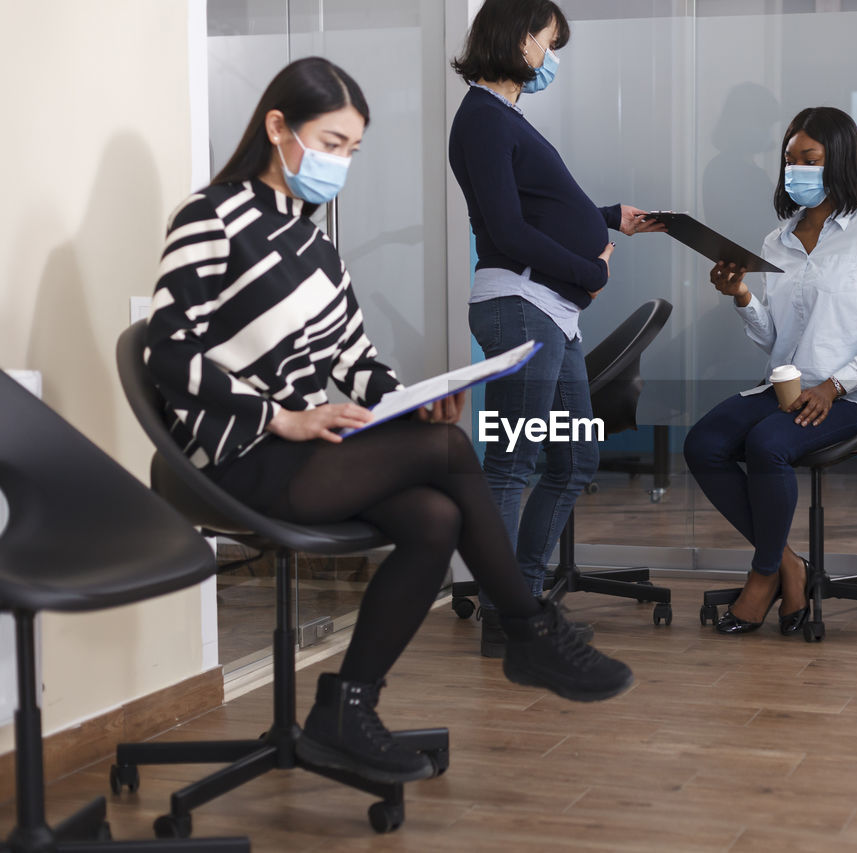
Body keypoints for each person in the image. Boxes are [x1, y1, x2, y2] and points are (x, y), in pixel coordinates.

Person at [145, 57, 633, 786]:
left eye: (352, 150)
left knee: (435, 517)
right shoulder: (211, 218)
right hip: (239, 454)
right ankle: (527, 628)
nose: (340, 162)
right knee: (447, 451)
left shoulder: (315, 245)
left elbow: (355, 356)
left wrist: (412, 394)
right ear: (277, 128)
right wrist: (281, 417)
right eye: (330, 142)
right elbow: (165, 354)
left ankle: (347, 705)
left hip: (310, 453)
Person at [448, 0, 662, 657]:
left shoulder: (504, 119)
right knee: (512, 460)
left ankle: (525, 604)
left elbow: (534, 207)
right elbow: (507, 231)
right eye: (547, 41)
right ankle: (508, 620)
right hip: (521, 306)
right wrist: (589, 270)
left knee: (574, 458)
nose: (550, 57)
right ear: (518, 41)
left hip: (549, 312)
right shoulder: (482, 120)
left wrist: (602, 216)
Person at [684, 107, 857, 636]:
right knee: (703, 443)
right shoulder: (775, 242)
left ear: (840, 164)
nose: (796, 171)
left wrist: (834, 386)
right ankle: (791, 564)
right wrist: (741, 295)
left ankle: (763, 576)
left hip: (849, 395)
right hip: (783, 384)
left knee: (769, 444)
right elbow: (774, 338)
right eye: (790, 160)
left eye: (809, 159)